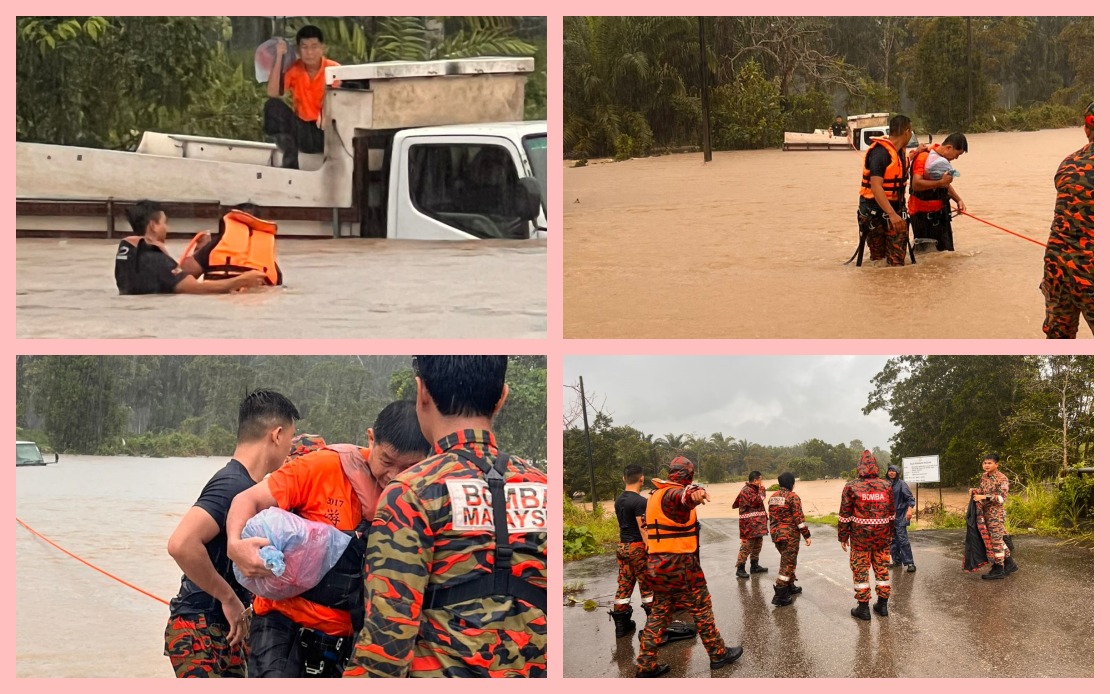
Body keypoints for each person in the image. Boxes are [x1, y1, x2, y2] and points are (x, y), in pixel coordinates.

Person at [344, 356, 547, 677]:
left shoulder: (410, 493)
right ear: (502, 398)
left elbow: (387, 645)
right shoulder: (542, 485)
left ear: (422, 392)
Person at [226, 402, 430, 677]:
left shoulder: (422, 493)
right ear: (371, 438)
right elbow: (248, 499)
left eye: (409, 466)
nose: (394, 475)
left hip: (352, 638)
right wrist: (235, 545)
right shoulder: (323, 466)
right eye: (387, 461)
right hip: (283, 626)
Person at [164, 390, 300, 677]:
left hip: (224, 629)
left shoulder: (246, 486)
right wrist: (228, 598)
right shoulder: (232, 485)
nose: (289, 449)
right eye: (290, 439)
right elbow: (181, 544)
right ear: (276, 435)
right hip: (199, 628)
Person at [635, 456, 743, 678]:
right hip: (681, 566)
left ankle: (645, 664)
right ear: (689, 476)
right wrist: (695, 494)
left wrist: (692, 492)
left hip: (657, 566)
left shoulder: (655, 495)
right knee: (702, 609)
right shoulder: (673, 495)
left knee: (659, 614)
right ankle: (718, 654)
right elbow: (683, 498)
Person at [115, 200, 266, 295]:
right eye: (164, 223)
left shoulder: (128, 252)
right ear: (153, 226)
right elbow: (194, 288)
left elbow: (171, 277)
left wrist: (199, 252)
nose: (167, 228)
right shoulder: (155, 258)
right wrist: (240, 280)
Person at [1041, 102, 1094, 338]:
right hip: (1093, 272)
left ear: (1086, 129)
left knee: (1058, 339)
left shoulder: (1068, 163)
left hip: (1057, 268)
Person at [264, 25, 341, 169]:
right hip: (302, 130)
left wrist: (326, 112)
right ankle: (290, 160)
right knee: (272, 106)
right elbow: (273, 92)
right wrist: (279, 56)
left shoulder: (334, 69)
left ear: (323, 48)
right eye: (304, 47)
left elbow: (341, 99)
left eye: (314, 46)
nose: (309, 52)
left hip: (325, 131)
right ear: (299, 50)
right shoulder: (295, 69)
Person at [856, 115, 922, 266]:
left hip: (895, 210)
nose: (911, 134)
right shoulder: (880, 153)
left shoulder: (898, 151)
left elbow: (900, 165)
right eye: (911, 131)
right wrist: (892, 215)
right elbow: (876, 186)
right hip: (874, 212)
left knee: (897, 261)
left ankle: (893, 288)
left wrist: (916, 152)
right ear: (907, 132)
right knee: (878, 260)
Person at [838, 450, 895, 621]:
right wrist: (890, 534)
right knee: (882, 570)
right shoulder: (886, 486)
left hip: (860, 539)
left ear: (859, 467)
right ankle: (882, 606)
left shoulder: (851, 486)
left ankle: (863, 609)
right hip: (882, 537)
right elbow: (892, 514)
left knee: (860, 571)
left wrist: (843, 537)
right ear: (876, 466)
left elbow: (844, 514)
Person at [179, 204, 283, 287]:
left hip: (217, 297)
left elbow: (183, 276)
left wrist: (200, 250)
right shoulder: (269, 260)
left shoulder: (217, 244)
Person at [609, 464, 652, 637]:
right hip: (637, 547)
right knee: (647, 584)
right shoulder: (640, 501)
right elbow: (643, 528)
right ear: (642, 479)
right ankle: (653, 623)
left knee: (624, 584)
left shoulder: (618, 500)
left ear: (623, 478)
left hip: (622, 547)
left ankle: (621, 625)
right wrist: (650, 548)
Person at [908, 133, 967, 252]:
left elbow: (945, 183)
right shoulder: (923, 158)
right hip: (922, 217)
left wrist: (958, 200)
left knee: (947, 255)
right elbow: (916, 184)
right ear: (949, 148)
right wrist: (940, 182)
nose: (956, 158)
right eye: (957, 154)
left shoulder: (940, 161)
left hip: (941, 215)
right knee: (925, 257)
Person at [969, 453, 1018, 580]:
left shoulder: (1002, 479)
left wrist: (984, 497)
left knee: (996, 541)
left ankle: (998, 568)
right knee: (997, 540)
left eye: (989, 463)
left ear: (997, 464)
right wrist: (975, 491)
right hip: (985, 514)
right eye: (985, 463)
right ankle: (1010, 563)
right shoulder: (984, 476)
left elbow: (1002, 498)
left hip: (996, 515)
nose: (986, 465)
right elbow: (982, 490)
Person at [767, 472, 811, 607]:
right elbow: (799, 519)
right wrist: (807, 535)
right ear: (791, 483)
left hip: (776, 535)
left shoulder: (773, 497)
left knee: (788, 560)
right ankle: (780, 595)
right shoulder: (793, 497)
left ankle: (790, 586)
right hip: (789, 535)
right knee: (787, 564)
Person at [731, 470, 769, 579]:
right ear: (756, 480)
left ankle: (754, 565)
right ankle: (740, 568)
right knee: (746, 546)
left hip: (757, 524)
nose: (762, 483)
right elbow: (757, 501)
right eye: (760, 480)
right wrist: (762, 490)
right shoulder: (747, 490)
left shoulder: (754, 490)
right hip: (749, 525)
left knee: (758, 544)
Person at [885, 464, 917, 572]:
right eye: (890, 471)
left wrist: (909, 510)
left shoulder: (902, 484)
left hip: (901, 515)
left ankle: (910, 563)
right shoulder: (885, 484)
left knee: (902, 539)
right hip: (889, 517)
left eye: (894, 471)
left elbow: (910, 499)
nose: (891, 473)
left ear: (897, 472)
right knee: (892, 540)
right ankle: (897, 561)